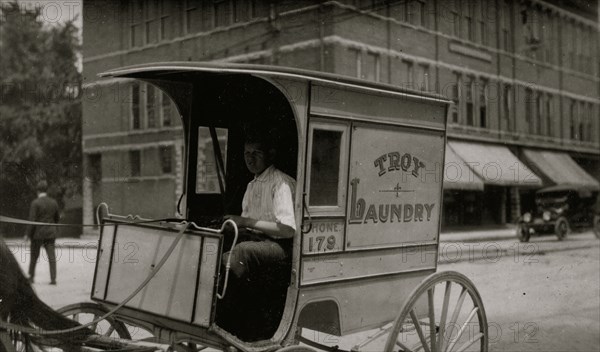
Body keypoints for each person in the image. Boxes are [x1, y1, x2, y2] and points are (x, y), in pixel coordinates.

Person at [217, 135, 296, 341]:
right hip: (260, 242)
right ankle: (219, 315)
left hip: (281, 247)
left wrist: (246, 222)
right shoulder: (252, 185)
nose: (250, 159)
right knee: (213, 244)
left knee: (241, 253)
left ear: (270, 154)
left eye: (256, 153)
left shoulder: (280, 183)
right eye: (246, 153)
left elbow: (288, 230)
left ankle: (229, 321)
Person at [26, 180, 60, 285]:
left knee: (34, 256)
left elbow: (32, 220)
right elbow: (57, 218)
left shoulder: (35, 203)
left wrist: (27, 234)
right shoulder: (54, 202)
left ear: (37, 191)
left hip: (37, 234)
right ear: (46, 190)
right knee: (51, 257)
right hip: (50, 233)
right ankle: (53, 279)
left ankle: (31, 277)